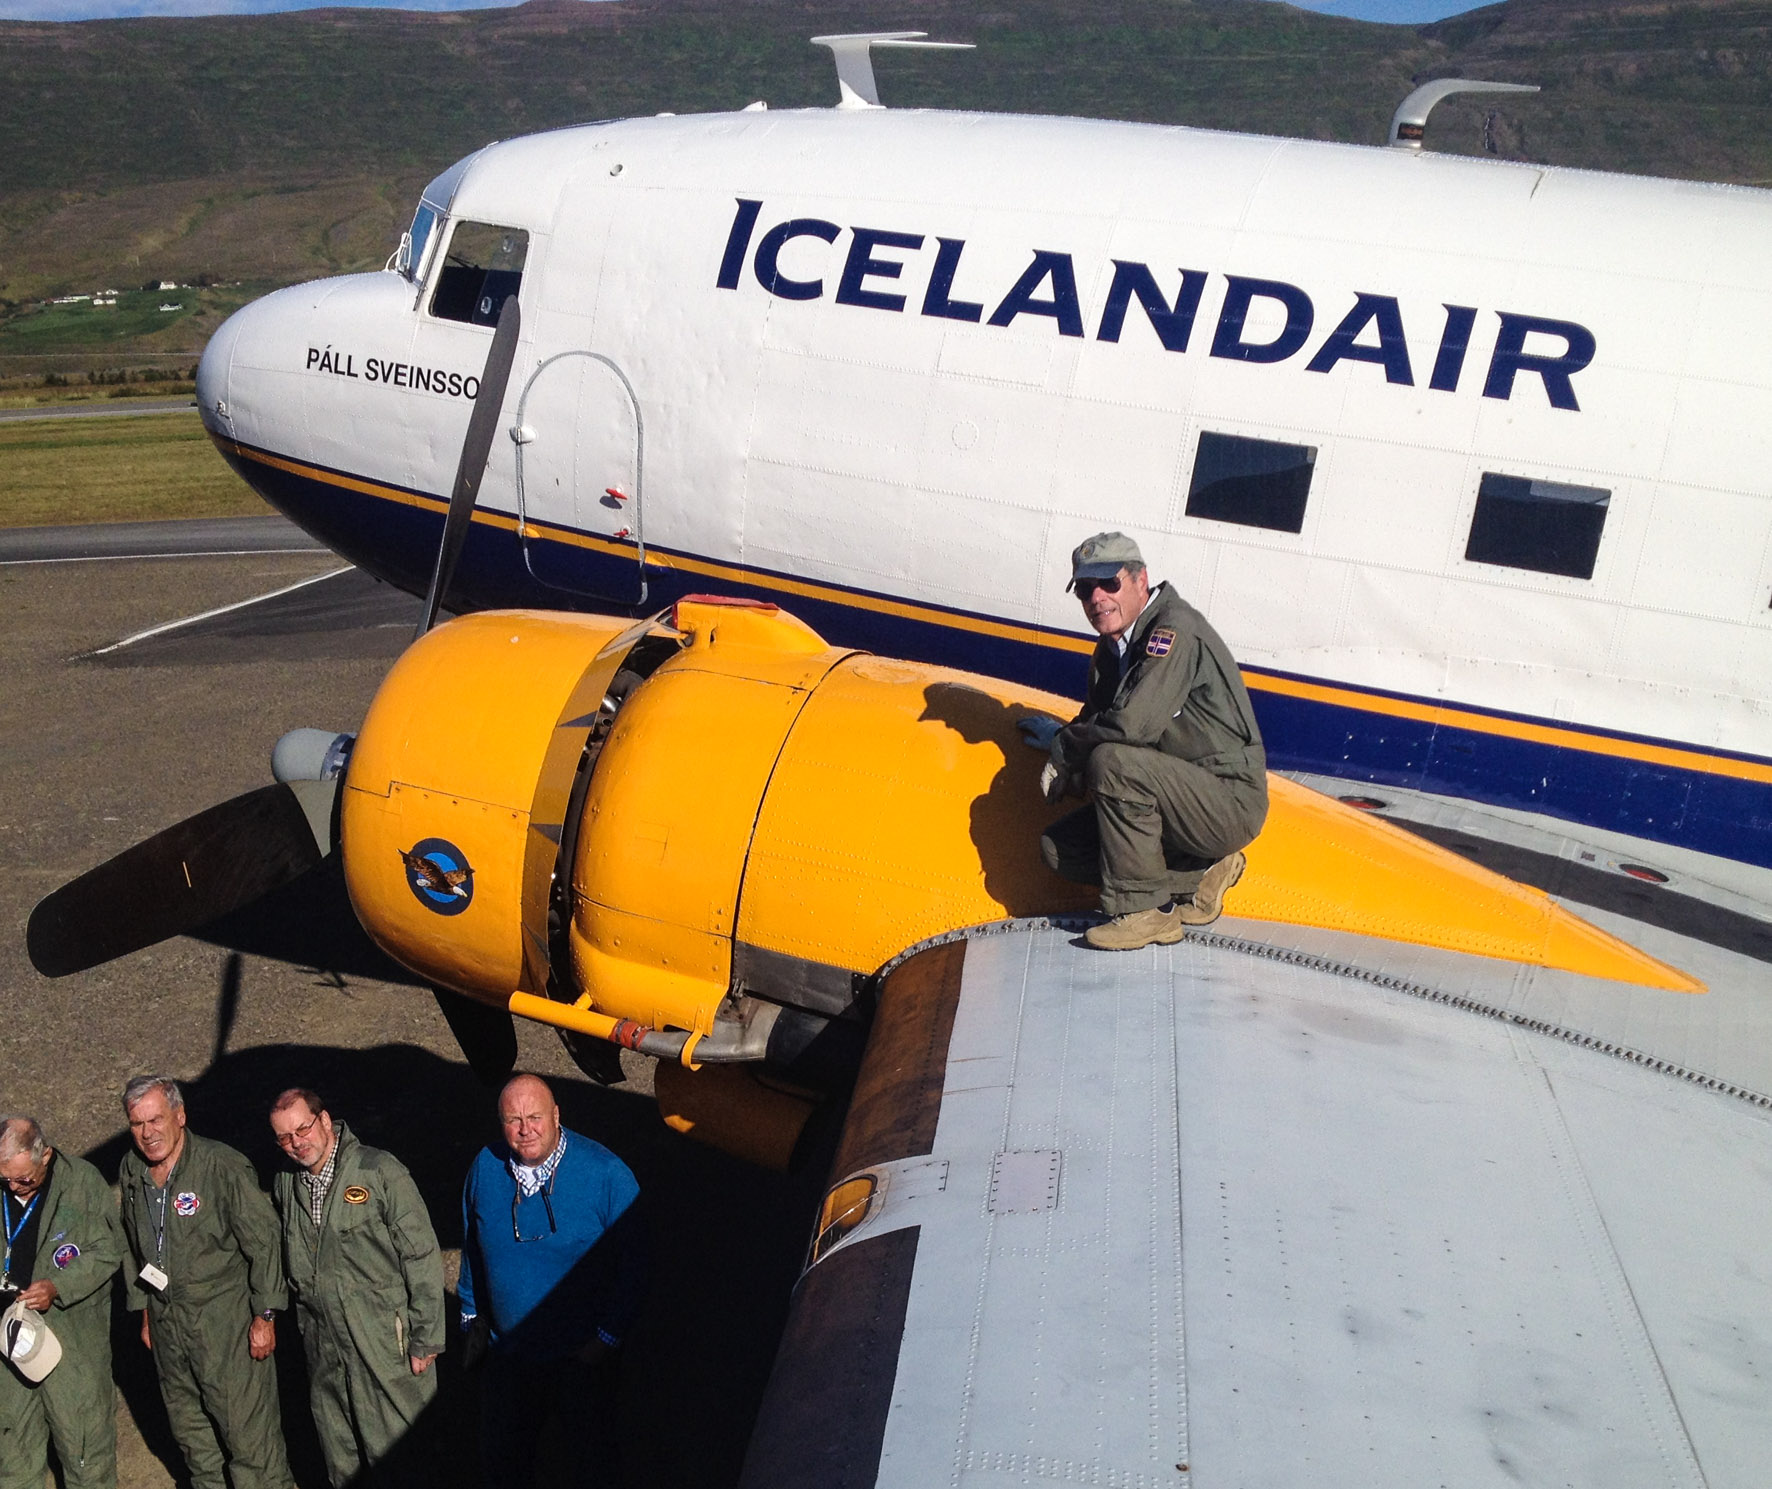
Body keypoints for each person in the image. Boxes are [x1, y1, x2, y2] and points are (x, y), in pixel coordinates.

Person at [1028, 531, 1268, 951]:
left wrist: (1065, 751)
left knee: (1113, 763)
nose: (1097, 598)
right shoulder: (1112, 647)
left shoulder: (1173, 630)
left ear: (1141, 580)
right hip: (1177, 797)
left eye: (1109, 583)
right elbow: (1099, 716)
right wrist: (1060, 735)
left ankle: (1147, 914)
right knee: (1061, 849)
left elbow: (1130, 727)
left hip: (1226, 799)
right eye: (1085, 589)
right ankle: (1202, 872)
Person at [460, 1073, 642, 1489]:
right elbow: (472, 1246)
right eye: (513, 1119)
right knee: (504, 1463)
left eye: (535, 1116)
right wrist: (471, 1318)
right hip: (509, 1356)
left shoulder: (606, 1176)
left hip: (581, 1358)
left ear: (557, 1115)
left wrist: (607, 1339)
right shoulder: (485, 1169)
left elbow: (636, 1265)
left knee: (591, 1462)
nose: (525, 1129)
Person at [116, 1076, 293, 1489]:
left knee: (252, 1446)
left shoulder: (221, 1166)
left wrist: (265, 1315)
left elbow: (265, 1243)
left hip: (224, 1323)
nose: (148, 1133)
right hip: (167, 1324)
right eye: (137, 1124)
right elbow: (131, 1244)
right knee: (194, 1442)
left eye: (156, 1120)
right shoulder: (131, 1169)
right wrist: (144, 1312)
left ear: (180, 1116)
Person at [268, 1088, 443, 1488]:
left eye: (303, 1129)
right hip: (323, 1346)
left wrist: (426, 1338)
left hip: (385, 1343)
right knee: (341, 1457)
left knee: (401, 1455)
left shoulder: (379, 1172)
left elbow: (421, 1255)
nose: (296, 1143)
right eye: (284, 1137)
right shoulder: (285, 1184)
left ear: (325, 1121)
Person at [0, 1116, 123, 1489]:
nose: (14, 1187)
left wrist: (57, 1285)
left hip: (71, 1342)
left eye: (23, 1179)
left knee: (85, 1449)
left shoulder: (82, 1182)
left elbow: (108, 1249)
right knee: (13, 1450)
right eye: (5, 1179)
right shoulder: (5, 1184)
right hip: (8, 1339)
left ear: (46, 1156)